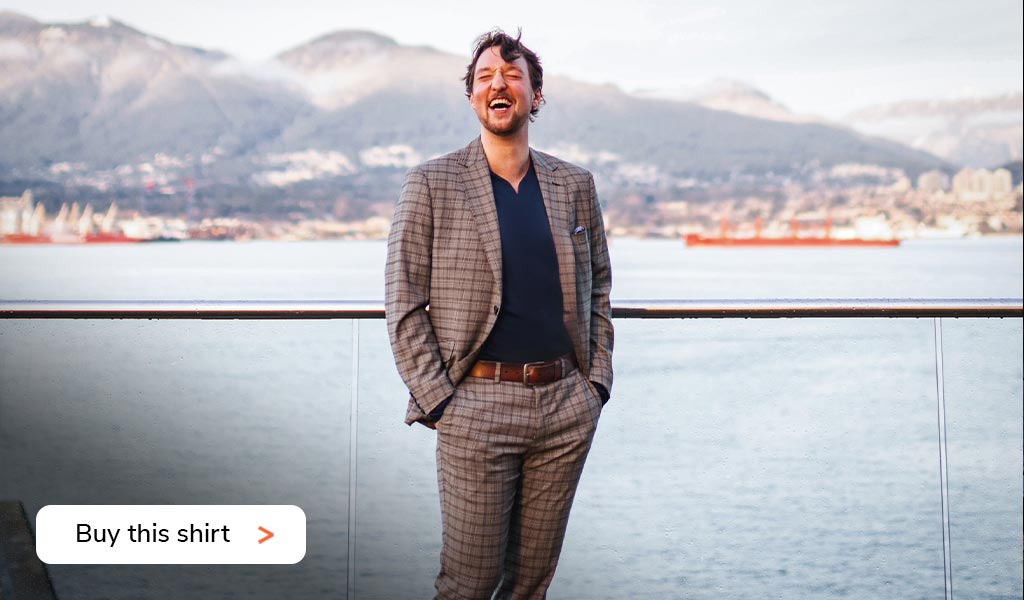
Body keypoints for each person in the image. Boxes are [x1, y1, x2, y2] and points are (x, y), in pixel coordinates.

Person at [385, 29, 613, 600]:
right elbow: (403, 301)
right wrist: (439, 400)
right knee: (469, 584)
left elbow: (599, 289)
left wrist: (596, 385)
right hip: (474, 408)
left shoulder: (575, 185)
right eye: (486, 76)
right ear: (472, 98)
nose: (499, 84)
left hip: (565, 405)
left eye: (513, 75)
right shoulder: (432, 183)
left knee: (530, 586)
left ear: (535, 96)